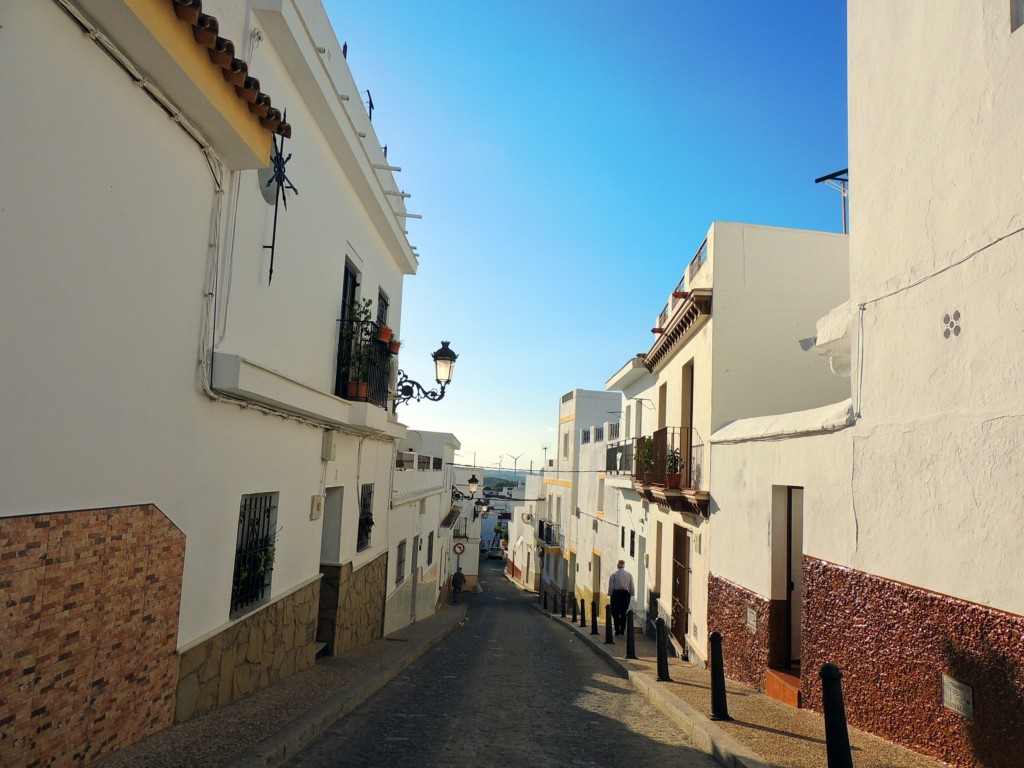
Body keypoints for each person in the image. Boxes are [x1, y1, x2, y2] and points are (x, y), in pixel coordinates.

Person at [607, 560, 635, 636]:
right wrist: (631, 594)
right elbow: (631, 586)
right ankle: (622, 629)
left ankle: (617, 629)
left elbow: (611, 586)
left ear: (618, 565)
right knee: (623, 612)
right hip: (625, 595)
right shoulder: (629, 575)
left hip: (616, 595)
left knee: (615, 613)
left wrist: (610, 594)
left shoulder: (614, 575)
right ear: (624, 565)